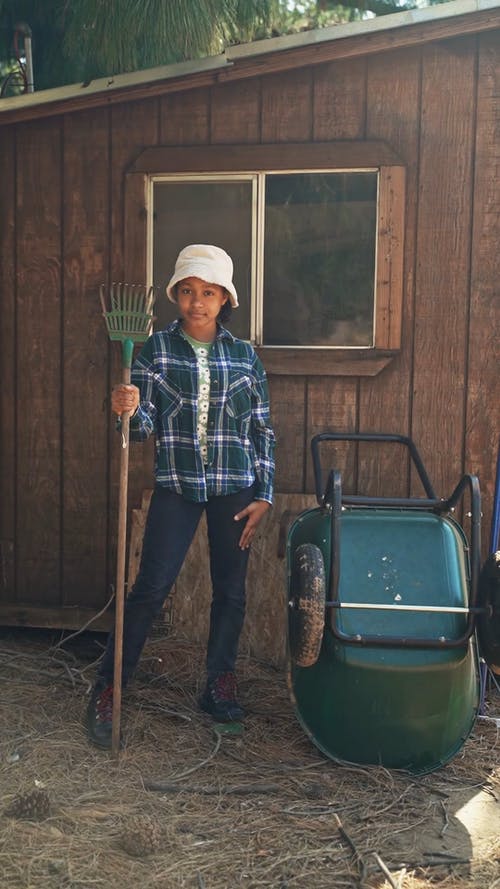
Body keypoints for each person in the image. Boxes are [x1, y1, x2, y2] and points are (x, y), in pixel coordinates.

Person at [87, 244, 275, 748]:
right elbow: (144, 428)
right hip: (179, 487)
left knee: (231, 593)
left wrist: (266, 494)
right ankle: (111, 686)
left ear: (224, 299)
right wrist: (126, 408)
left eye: (208, 292)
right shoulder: (155, 350)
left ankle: (218, 683)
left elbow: (262, 430)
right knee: (149, 588)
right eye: (188, 291)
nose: (197, 302)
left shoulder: (244, 356)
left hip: (235, 491)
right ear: (176, 295)